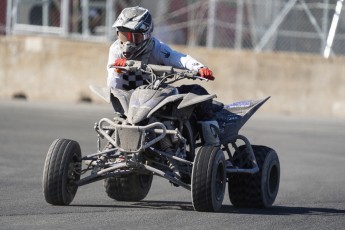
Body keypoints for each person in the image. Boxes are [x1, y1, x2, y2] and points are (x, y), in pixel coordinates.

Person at [107, 6, 219, 146]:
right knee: (119, 118)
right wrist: (119, 71)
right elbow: (113, 84)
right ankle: (119, 148)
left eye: (135, 37)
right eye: (124, 35)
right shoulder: (115, 49)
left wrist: (199, 68)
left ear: (147, 34)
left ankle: (213, 147)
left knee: (198, 93)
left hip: (156, 95)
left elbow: (179, 58)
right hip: (130, 99)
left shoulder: (157, 47)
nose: (128, 43)